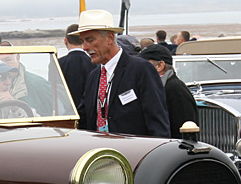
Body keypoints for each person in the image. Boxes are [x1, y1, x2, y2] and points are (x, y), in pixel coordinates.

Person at [75, 9, 169, 138]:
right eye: (82, 41)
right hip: (102, 154)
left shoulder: (141, 70)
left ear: (109, 38)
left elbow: (158, 123)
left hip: (135, 154)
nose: (85, 47)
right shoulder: (94, 76)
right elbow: (83, 119)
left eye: (90, 40)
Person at [139, 44, 198, 139]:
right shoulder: (159, 87)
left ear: (160, 66)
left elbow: (183, 128)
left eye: (144, 64)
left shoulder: (175, 89)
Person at [0, 41, 52, 115]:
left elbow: (55, 116)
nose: (4, 66)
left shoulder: (39, 84)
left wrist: (15, 106)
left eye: (8, 60)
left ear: (18, 58)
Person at [57, 24, 91, 109]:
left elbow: (54, 93)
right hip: (88, 112)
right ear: (83, 40)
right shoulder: (94, 63)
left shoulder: (57, 64)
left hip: (66, 113)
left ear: (65, 40)